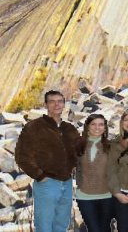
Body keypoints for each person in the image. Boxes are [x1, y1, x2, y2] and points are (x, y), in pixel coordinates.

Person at [15, 90, 80, 232]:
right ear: (46, 104)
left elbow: (78, 152)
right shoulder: (34, 127)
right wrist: (40, 176)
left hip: (67, 183)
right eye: (52, 101)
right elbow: (22, 156)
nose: (57, 104)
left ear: (64, 104)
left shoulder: (69, 129)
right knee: (44, 226)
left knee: (62, 225)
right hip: (47, 183)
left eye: (60, 101)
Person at [75, 114, 114, 232]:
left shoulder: (111, 146)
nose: (97, 127)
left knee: (105, 229)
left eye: (101, 124)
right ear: (87, 126)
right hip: (84, 196)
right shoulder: (78, 146)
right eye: (93, 124)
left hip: (107, 196)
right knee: (93, 229)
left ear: (105, 127)